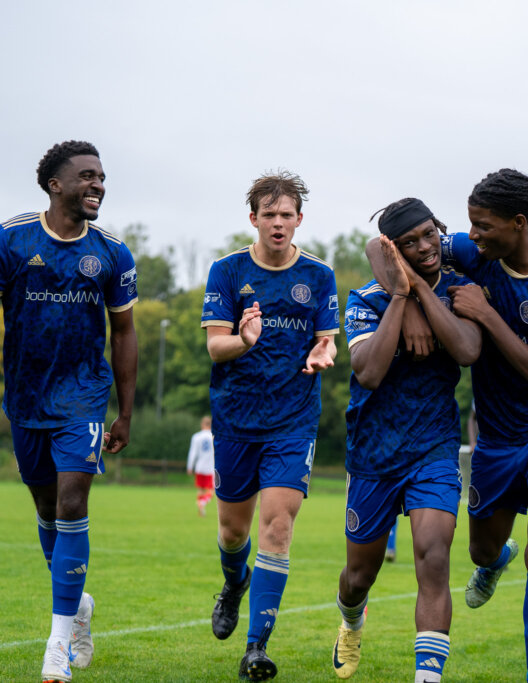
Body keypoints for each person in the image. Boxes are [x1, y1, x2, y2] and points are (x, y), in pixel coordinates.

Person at [370, 169, 528, 682]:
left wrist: (489, 318)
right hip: (495, 432)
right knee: (480, 550)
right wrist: (417, 304)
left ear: (517, 223)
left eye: (483, 226)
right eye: (470, 224)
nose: (471, 235)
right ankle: (494, 562)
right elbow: (379, 247)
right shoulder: (473, 252)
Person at [0, 140, 138, 683]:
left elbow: (126, 332)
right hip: (26, 396)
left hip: (84, 394)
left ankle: (57, 642)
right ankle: (78, 605)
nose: (99, 185)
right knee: (45, 507)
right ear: (55, 184)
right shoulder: (8, 239)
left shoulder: (112, 252)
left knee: (72, 499)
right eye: (87, 176)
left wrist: (125, 411)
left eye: (103, 177)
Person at [332, 198, 481, 682]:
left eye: (428, 235)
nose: (425, 247)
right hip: (373, 451)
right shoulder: (365, 300)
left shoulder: (460, 286)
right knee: (359, 577)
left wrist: (422, 296)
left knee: (434, 557)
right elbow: (370, 373)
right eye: (410, 243)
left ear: (440, 228)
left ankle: (427, 677)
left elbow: (464, 350)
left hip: (434, 447)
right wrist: (401, 298)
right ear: (396, 250)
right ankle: (352, 621)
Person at [201, 171, 338, 681]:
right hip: (237, 418)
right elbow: (216, 346)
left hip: (293, 421)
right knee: (233, 532)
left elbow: (327, 341)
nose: (278, 223)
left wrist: (324, 351)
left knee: (277, 527)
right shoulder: (226, 271)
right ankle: (234, 585)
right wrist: (246, 340)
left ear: (299, 219)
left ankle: (256, 647)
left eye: (287, 215)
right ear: (253, 218)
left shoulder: (320, 276)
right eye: (269, 214)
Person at [187, 416, 216, 517]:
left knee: (200, 489)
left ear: (202, 424)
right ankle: (202, 503)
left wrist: (190, 466)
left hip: (199, 467)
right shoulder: (214, 436)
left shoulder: (196, 436)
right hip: (210, 468)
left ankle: (201, 510)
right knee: (211, 491)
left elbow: (193, 452)